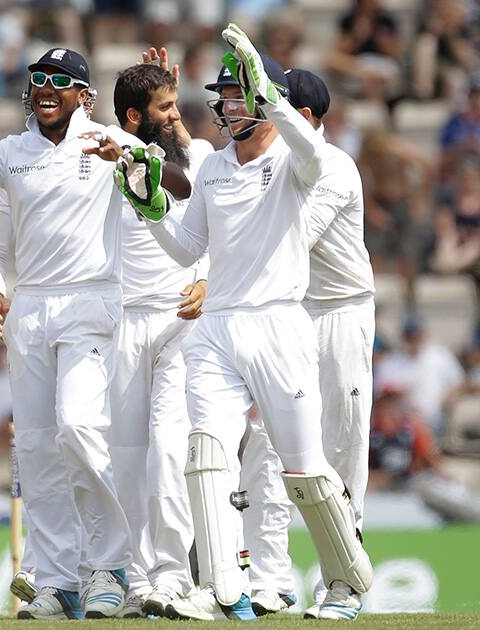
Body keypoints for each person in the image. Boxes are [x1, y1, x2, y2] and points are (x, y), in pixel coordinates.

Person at [118, 24, 372, 621]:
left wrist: (272, 97)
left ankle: (345, 584)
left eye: (237, 96)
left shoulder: (300, 161)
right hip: (218, 330)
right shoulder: (212, 167)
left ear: (262, 99)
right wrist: (151, 209)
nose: (226, 106)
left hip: (281, 327)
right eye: (226, 96)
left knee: (304, 470)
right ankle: (224, 589)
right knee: (207, 454)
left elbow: (308, 151)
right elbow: (187, 248)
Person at [0, 47, 135, 620]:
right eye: (37, 79)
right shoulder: (11, 154)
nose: (45, 89)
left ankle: (108, 565)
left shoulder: (108, 142)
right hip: (29, 308)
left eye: (60, 81)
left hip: (90, 299)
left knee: (80, 428)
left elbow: (172, 184)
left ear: (83, 93)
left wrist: (135, 157)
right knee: (36, 447)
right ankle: (58, 578)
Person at [240, 67, 377, 619]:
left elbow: (290, 241)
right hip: (287, 314)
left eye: (273, 106)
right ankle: (270, 579)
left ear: (301, 117)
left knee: (341, 447)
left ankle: (342, 582)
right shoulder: (267, 167)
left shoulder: (335, 167)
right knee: (268, 447)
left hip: (340, 314)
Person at [105, 56, 212, 618]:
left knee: (169, 451)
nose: (175, 116)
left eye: (175, 105)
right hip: (120, 323)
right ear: (131, 117)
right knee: (127, 457)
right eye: (164, 108)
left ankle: (173, 576)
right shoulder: (104, 156)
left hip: (178, 320)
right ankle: (137, 579)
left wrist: (205, 278)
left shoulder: (194, 157)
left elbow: (211, 210)